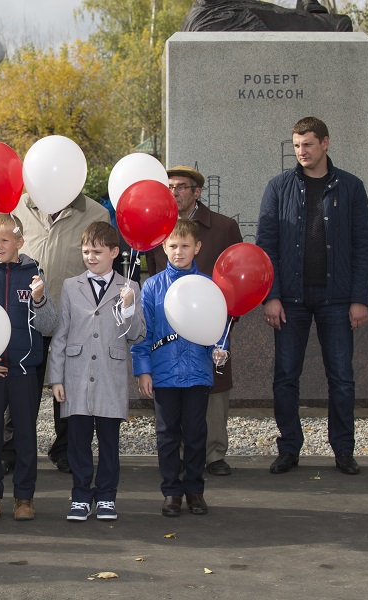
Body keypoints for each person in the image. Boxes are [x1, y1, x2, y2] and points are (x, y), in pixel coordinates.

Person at [256, 116, 368, 476]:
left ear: (325, 143)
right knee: (285, 377)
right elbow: (267, 246)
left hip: (337, 299)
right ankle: (289, 448)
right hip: (289, 299)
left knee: (341, 377)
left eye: (308, 144)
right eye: (296, 145)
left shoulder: (351, 188)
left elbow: (362, 247)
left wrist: (359, 298)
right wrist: (270, 296)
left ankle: (343, 450)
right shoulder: (278, 187)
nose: (301, 151)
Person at [146, 166, 243, 477]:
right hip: (169, 327)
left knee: (213, 386)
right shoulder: (158, 229)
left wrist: (224, 322)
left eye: (182, 187)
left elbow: (237, 276)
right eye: (170, 186)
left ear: (197, 191)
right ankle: (178, 461)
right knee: (174, 400)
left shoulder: (224, 227)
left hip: (210, 324)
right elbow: (152, 272)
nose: (175, 192)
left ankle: (214, 454)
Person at [132, 219, 229, 517]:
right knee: (167, 434)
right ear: (163, 247)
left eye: (185, 246)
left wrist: (219, 351)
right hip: (163, 375)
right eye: (173, 246)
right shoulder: (151, 287)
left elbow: (218, 327)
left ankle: (195, 490)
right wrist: (143, 369)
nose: (179, 251)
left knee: (197, 433)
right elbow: (142, 333)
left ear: (197, 248)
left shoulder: (208, 286)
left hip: (198, 374)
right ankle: (172, 491)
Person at [0, 214, 58, 521]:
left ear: (19, 242)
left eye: (5, 240)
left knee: (25, 435)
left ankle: (24, 498)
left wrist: (40, 299)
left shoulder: (33, 274)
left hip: (23, 371)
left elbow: (49, 325)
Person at [50, 222, 145, 521]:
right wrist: (56, 378)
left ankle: (106, 495)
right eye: (86, 251)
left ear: (115, 252)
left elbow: (138, 335)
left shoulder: (129, 288)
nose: (91, 257)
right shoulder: (70, 286)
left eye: (98, 252)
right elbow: (61, 334)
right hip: (76, 374)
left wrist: (128, 308)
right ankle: (80, 495)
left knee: (108, 441)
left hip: (109, 372)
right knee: (77, 440)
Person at [11, 192, 112, 474]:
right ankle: (13, 449)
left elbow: (100, 266)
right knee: (19, 389)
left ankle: (66, 450)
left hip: (73, 318)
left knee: (68, 390)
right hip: (25, 317)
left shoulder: (95, 213)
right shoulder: (16, 206)